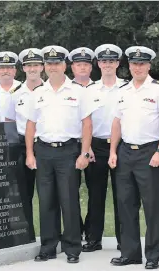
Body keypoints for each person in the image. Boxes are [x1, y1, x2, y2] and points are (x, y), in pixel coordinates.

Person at [25, 45, 95, 264]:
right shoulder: (38, 93)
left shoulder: (78, 92)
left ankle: (72, 247)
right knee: (46, 201)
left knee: (69, 200)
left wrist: (84, 153)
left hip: (68, 151)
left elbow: (87, 123)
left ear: (65, 65)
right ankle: (48, 246)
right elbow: (30, 124)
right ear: (45, 67)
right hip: (43, 151)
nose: (53, 67)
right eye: (49, 64)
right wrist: (29, 153)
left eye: (56, 63)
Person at [108, 46, 159, 270]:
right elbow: (117, 123)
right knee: (126, 204)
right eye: (134, 64)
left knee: (152, 206)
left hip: (150, 151)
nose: (138, 67)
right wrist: (113, 151)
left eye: (142, 64)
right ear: (130, 66)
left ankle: (153, 254)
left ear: (149, 66)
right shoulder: (123, 91)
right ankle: (130, 253)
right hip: (126, 152)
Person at [82, 44, 128, 252]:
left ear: (117, 63)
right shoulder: (90, 90)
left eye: (112, 61)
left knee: (123, 195)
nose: (108, 64)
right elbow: (85, 120)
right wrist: (88, 146)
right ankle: (93, 239)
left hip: (121, 146)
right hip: (97, 146)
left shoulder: (127, 88)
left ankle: (123, 239)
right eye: (104, 61)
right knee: (96, 195)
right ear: (98, 64)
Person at [2, 47, 45, 241]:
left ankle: (51, 235)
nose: (32, 68)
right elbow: (10, 121)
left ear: (42, 67)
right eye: (29, 65)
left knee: (48, 193)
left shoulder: (50, 91)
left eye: (36, 65)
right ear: (23, 69)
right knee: (22, 192)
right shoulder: (15, 94)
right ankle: (26, 234)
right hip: (20, 146)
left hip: (44, 144)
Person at [68, 47, 95, 238]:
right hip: (71, 145)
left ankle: (93, 236)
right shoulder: (63, 88)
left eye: (86, 64)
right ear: (72, 67)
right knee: (69, 192)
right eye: (79, 64)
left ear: (91, 67)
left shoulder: (101, 88)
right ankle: (75, 232)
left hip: (99, 147)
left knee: (96, 192)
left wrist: (89, 146)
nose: (82, 68)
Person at [0, 51, 21, 121]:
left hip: (18, 130)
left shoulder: (22, 88)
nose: (6, 71)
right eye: (2, 68)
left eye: (9, 67)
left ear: (15, 71)